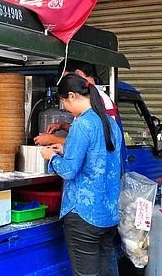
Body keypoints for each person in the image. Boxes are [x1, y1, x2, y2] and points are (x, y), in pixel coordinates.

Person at [40, 74, 123, 276]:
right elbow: (100, 157)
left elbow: (68, 171)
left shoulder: (82, 123)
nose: (65, 109)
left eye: (64, 103)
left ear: (72, 96)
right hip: (108, 213)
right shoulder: (110, 124)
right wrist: (65, 149)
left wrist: (51, 156)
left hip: (83, 215)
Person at [34, 59, 119, 146]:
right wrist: (63, 126)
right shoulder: (85, 102)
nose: (65, 84)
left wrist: (53, 140)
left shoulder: (100, 100)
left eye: (67, 79)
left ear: (78, 74)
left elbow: (95, 143)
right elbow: (87, 132)